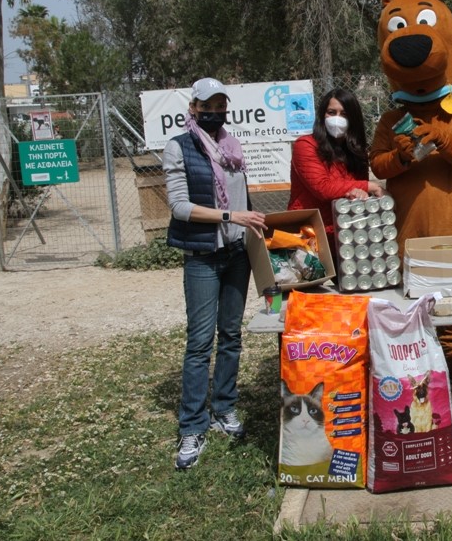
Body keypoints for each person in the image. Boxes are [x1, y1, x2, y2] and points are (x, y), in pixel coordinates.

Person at [164, 77, 269, 470]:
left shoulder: (231, 146)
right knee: (199, 343)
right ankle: (192, 425)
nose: (214, 112)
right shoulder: (179, 146)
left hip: (238, 253)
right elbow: (178, 206)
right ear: (193, 108)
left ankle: (224, 407)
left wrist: (251, 229)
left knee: (231, 336)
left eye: (220, 105)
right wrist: (230, 215)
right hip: (203, 257)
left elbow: (242, 199)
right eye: (207, 106)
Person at [287, 88, 384, 257]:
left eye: (344, 113)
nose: (337, 119)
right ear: (322, 115)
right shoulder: (306, 145)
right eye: (331, 112)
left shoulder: (356, 152)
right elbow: (322, 188)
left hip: (346, 237)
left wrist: (360, 192)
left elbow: (359, 193)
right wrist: (368, 186)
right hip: (310, 237)